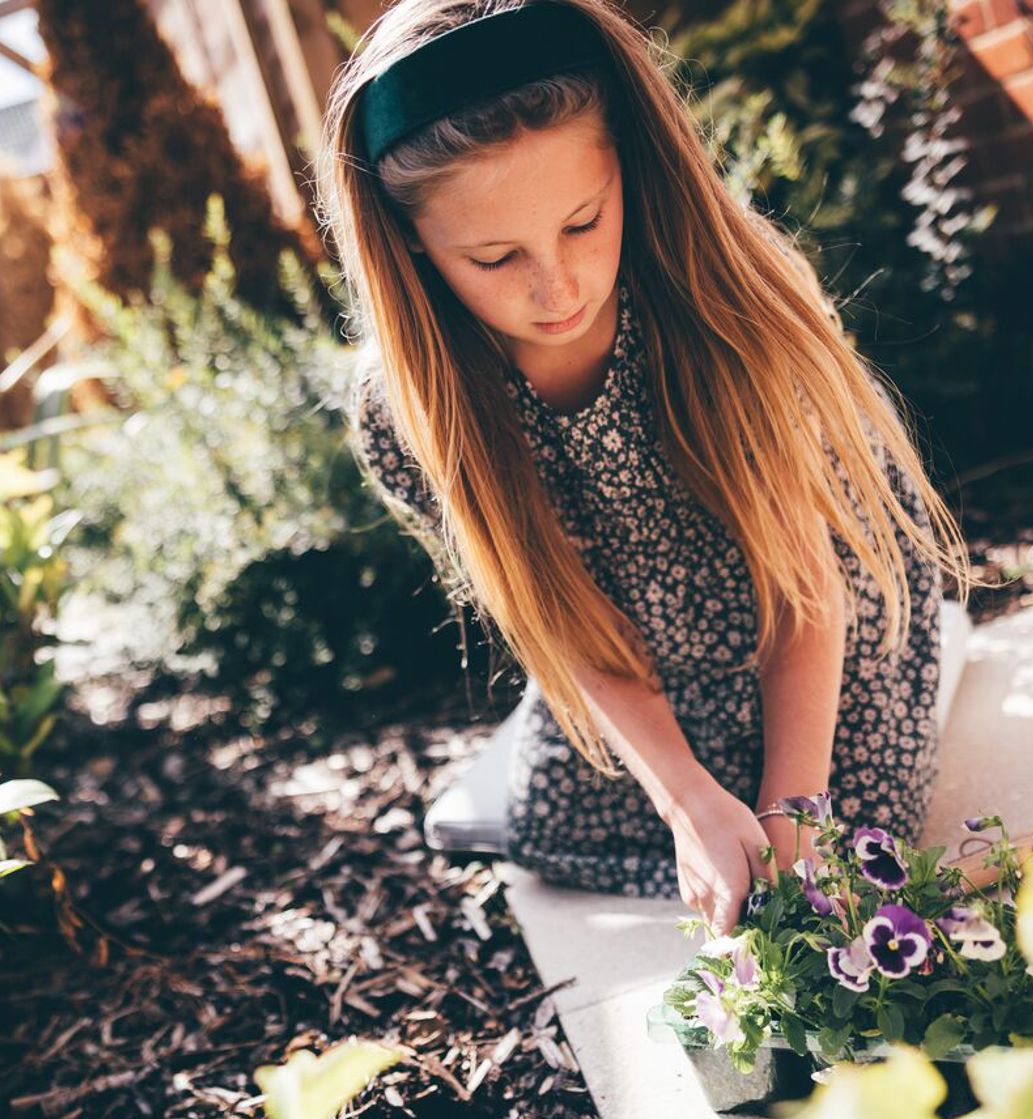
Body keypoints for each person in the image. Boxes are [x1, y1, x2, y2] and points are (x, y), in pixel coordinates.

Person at [312, 0, 986, 935]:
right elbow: (556, 613)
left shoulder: (726, 296)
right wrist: (682, 796)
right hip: (627, 646)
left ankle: (928, 640)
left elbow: (806, 586)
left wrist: (792, 808)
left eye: (584, 222)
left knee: (857, 838)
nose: (557, 288)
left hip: (809, 603)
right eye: (495, 257)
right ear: (412, 244)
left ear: (628, 164)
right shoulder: (411, 407)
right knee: (554, 827)